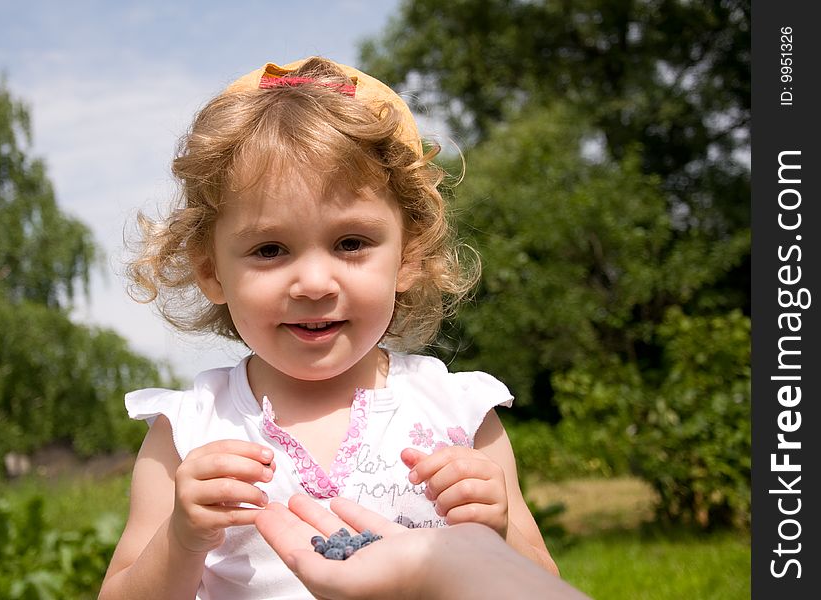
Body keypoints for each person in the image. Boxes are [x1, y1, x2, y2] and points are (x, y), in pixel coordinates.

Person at [99, 57, 557, 600]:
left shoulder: (455, 414)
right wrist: (181, 537)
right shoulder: (189, 431)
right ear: (210, 271)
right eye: (270, 249)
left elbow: (542, 583)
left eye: (351, 243)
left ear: (408, 254)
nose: (314, 282)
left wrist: (496, 532)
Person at [256, 494, 587, 600]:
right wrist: (200, 540)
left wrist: (498, 532)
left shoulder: (460, 399)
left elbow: (547, 574)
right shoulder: (205, 407)